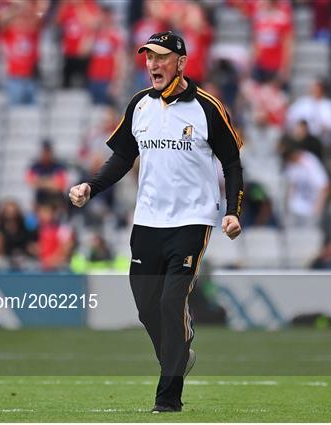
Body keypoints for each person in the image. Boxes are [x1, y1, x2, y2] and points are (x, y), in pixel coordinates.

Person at [69, 31, 244, 413]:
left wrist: (233, 211)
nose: (152, 64)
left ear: (181, 62)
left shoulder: (208, 107)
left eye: (161, 57)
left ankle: (168, 398)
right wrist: (91, 187)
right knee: (147, 309)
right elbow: (121, 159)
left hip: (192, 221)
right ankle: (181, 349)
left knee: (170, 302)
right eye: (148, 57)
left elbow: (231, 161)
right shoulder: (139, 105)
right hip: (147, 221)